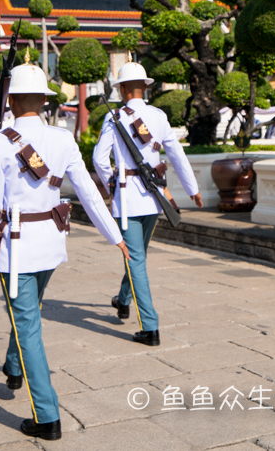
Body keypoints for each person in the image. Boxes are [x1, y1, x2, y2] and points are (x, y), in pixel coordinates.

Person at [0, 61, 127, 440]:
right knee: (29, 311)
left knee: (27, 324)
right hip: (52, 241)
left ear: (9, 100)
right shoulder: (63, 138)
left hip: (19, 246)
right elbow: (89, 192)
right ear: (43, 100)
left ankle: (47, 416)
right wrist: (114, 235)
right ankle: (13, 364)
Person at [94, 62, 202, 347]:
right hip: (154, 197)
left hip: (128, 199)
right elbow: (176, 153)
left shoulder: (114, 117)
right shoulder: (158, 116)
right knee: (138, 256)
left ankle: (150, 327)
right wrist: (192, 189)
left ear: (124, 89)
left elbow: (99, 160)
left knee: (136, 259)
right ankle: (123, 299)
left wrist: (112, 184)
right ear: (144, 86)